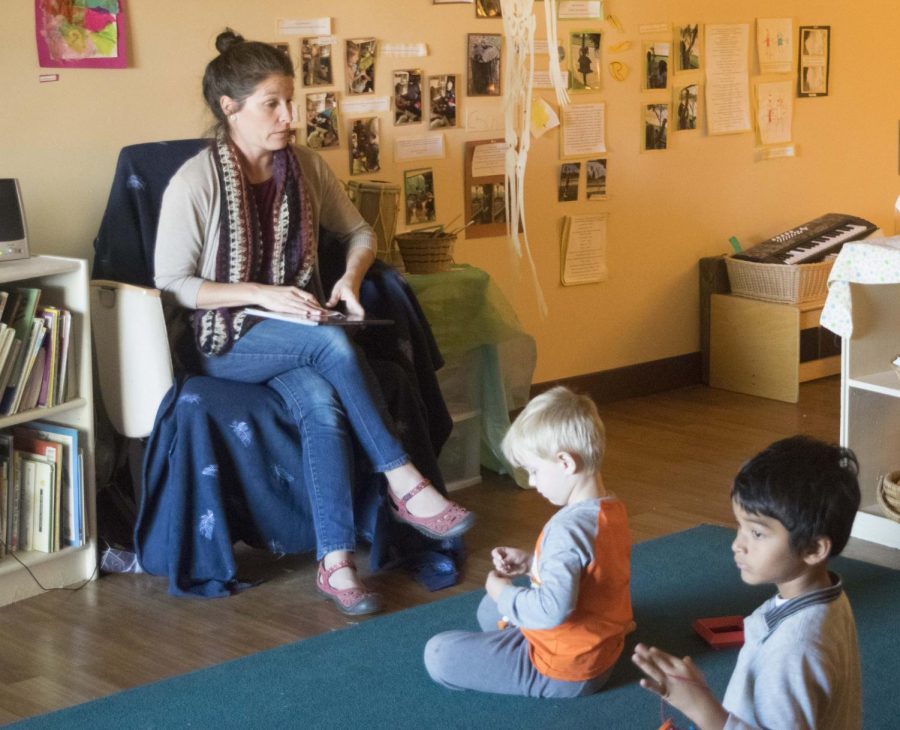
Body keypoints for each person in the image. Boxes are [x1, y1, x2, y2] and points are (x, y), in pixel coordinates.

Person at [154, 29, 474, 616]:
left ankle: (334, 565)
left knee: (322, 406)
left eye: (291, 100)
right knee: (329, 344)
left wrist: (349, 280)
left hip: (295, 337)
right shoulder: (194, 183)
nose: (290, 115)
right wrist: (266, 295)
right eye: (272, 103)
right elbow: (174, 284)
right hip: (225, 340)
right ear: (230, 108)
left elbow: (359, 233)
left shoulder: (306, 168)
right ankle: (403, 480)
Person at [632, 435, 862, 730]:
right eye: (740, 526)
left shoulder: (794, 649)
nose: (737, 544)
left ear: (814, 549)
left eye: (756, 533)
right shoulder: (828, 596)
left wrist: (702, 709)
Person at [423, 386, 633, 698]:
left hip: (564, 670)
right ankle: (514, 630)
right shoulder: (610, 509)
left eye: (534, 471)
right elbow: (593, 571)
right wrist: (532, 564)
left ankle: (516, 644)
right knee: (489, 609)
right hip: (600, 648)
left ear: (565, 463)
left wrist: (505, 591)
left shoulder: (566, 530)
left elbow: (551, 611)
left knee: (438, 654)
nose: (532, 482)